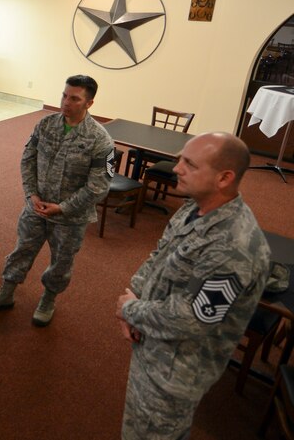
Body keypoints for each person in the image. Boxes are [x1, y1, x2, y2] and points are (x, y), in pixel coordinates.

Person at [115, 132, 269, 438]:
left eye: (190, 164)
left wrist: (132, 310)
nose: (176, 168)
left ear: (224, 178)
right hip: (151, 341)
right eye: (180, 159)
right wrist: (134, 296)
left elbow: (192, 319)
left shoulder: (235, 247)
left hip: (177, 372)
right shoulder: (193, 207)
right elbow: (159, 254)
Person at [0, 75, 114, 326]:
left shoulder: (101, 140)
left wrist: (63, 208)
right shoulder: (46, 124)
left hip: (70, 218)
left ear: (89, 103)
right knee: (21, 250)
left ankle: (48, 300)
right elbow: (27, 159)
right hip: (36, 207)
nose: (66, 102)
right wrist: (32, 194)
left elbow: (99, 186)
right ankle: (6, 293)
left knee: (61, 262)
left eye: (74, 99)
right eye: (64, 95)